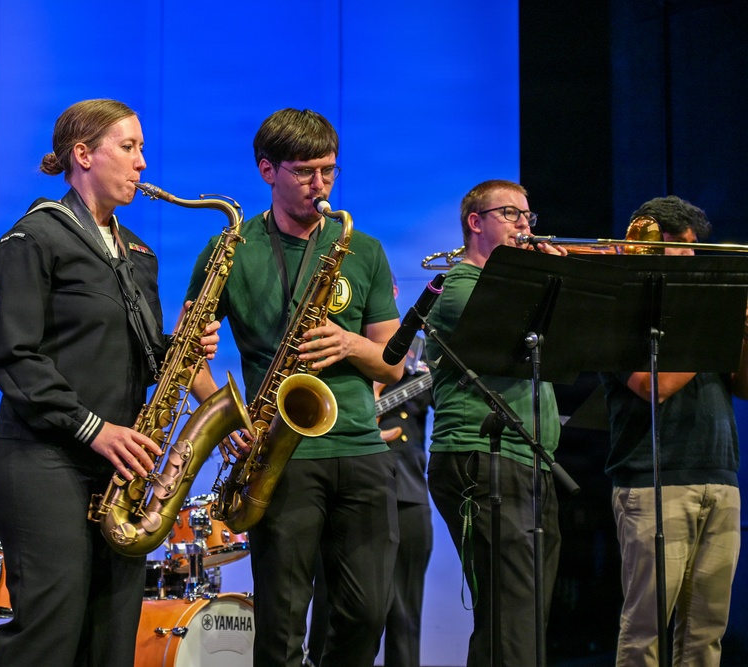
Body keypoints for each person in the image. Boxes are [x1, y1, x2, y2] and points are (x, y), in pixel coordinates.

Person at [0, 98, 220, 667]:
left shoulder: (139, 253)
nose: (142, 163)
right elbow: (12, 357)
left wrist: (179, 351)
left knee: (112, 637)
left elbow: (132, 357)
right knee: (50, 630)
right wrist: (95, 429)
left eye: (142, 149)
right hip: (45, 458)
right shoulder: (33, 238)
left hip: (119, 468)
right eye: (129, 147)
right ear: (82, 155)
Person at [185, 107, 404, 666]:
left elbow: (395, 364)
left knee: (367, 613)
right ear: (267, 170)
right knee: (281, 627)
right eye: (305, 172)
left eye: (328, 171)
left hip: (359, 447)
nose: (320, 185)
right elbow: (186, 354)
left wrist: (351, 345)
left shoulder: (365, 249)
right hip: (280, 455)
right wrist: (223, 412)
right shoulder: (228, 249)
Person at [599, 195, 748, 666]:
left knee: (706, 634)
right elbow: (651, 385)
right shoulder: (618, 309)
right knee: (646, 630)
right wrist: (711, 324)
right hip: (652, 479)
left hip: (719, 474)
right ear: (646, 242)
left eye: (692, 246)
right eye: (678, 246)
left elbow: (743, 386)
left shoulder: (702, 311)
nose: (690, 256)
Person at [425, 179, 566, 666]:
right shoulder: (458, 284)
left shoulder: (516, 287)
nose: (524, 224)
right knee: (513, 615)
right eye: (510, 214)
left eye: (527, 215)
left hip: (530, 460)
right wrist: (550, 277)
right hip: (482, 458)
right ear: (475, 222)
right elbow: (505, 325)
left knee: (518, 616)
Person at [306, 282, 434, 667]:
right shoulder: (330, 337)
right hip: (339, 483)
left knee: (404, 618)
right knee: (330, 609)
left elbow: (429, 394)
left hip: (406, 489)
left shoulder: (418, 348)